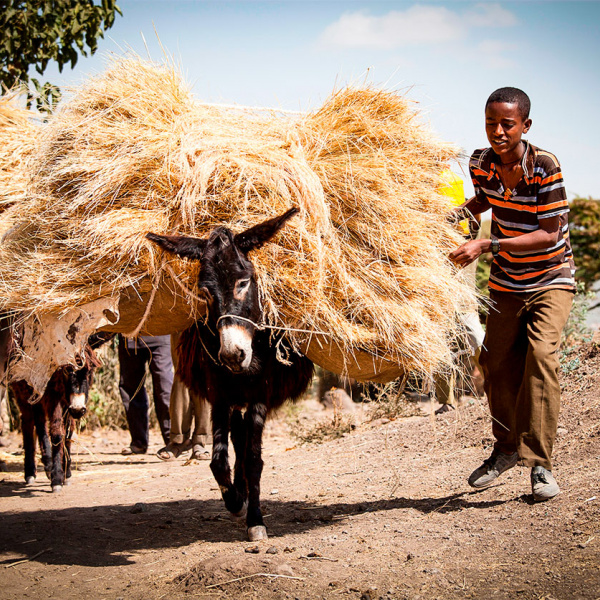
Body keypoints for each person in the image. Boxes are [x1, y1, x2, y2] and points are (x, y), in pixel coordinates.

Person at [449, 87, 575, 502]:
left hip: (550, 279)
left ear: (525, 125)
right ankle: (504, 450)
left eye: (507, 124)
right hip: (506, 282)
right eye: (491, 123)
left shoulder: (545, 166)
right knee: (494, 364)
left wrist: (485, 245)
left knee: (541, 357)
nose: (498, 131)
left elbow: (550, 233)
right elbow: (485, 200)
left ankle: (539, 465)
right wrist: (456, 219)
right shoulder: (480, 162)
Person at [436, 170, 485, 413]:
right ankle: (446, 402)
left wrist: (463, 212)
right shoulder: (430, 243)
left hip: (465, 304)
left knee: (477, 339)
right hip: (437, 306)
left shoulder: (468, 242)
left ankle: (496, 388)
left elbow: (475, 221)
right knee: (440, 350)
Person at [156, 332, 211, 461]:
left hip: (207, 323)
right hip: (180, 321)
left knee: (205, 377)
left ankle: (200, 442)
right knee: (182, 376)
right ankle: (178, 441)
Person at [118, 334, 173, 455]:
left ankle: (173, 441)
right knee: (131, 390)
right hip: (130, 338)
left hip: (161, 335)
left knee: (165, 388)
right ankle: (138, 442)